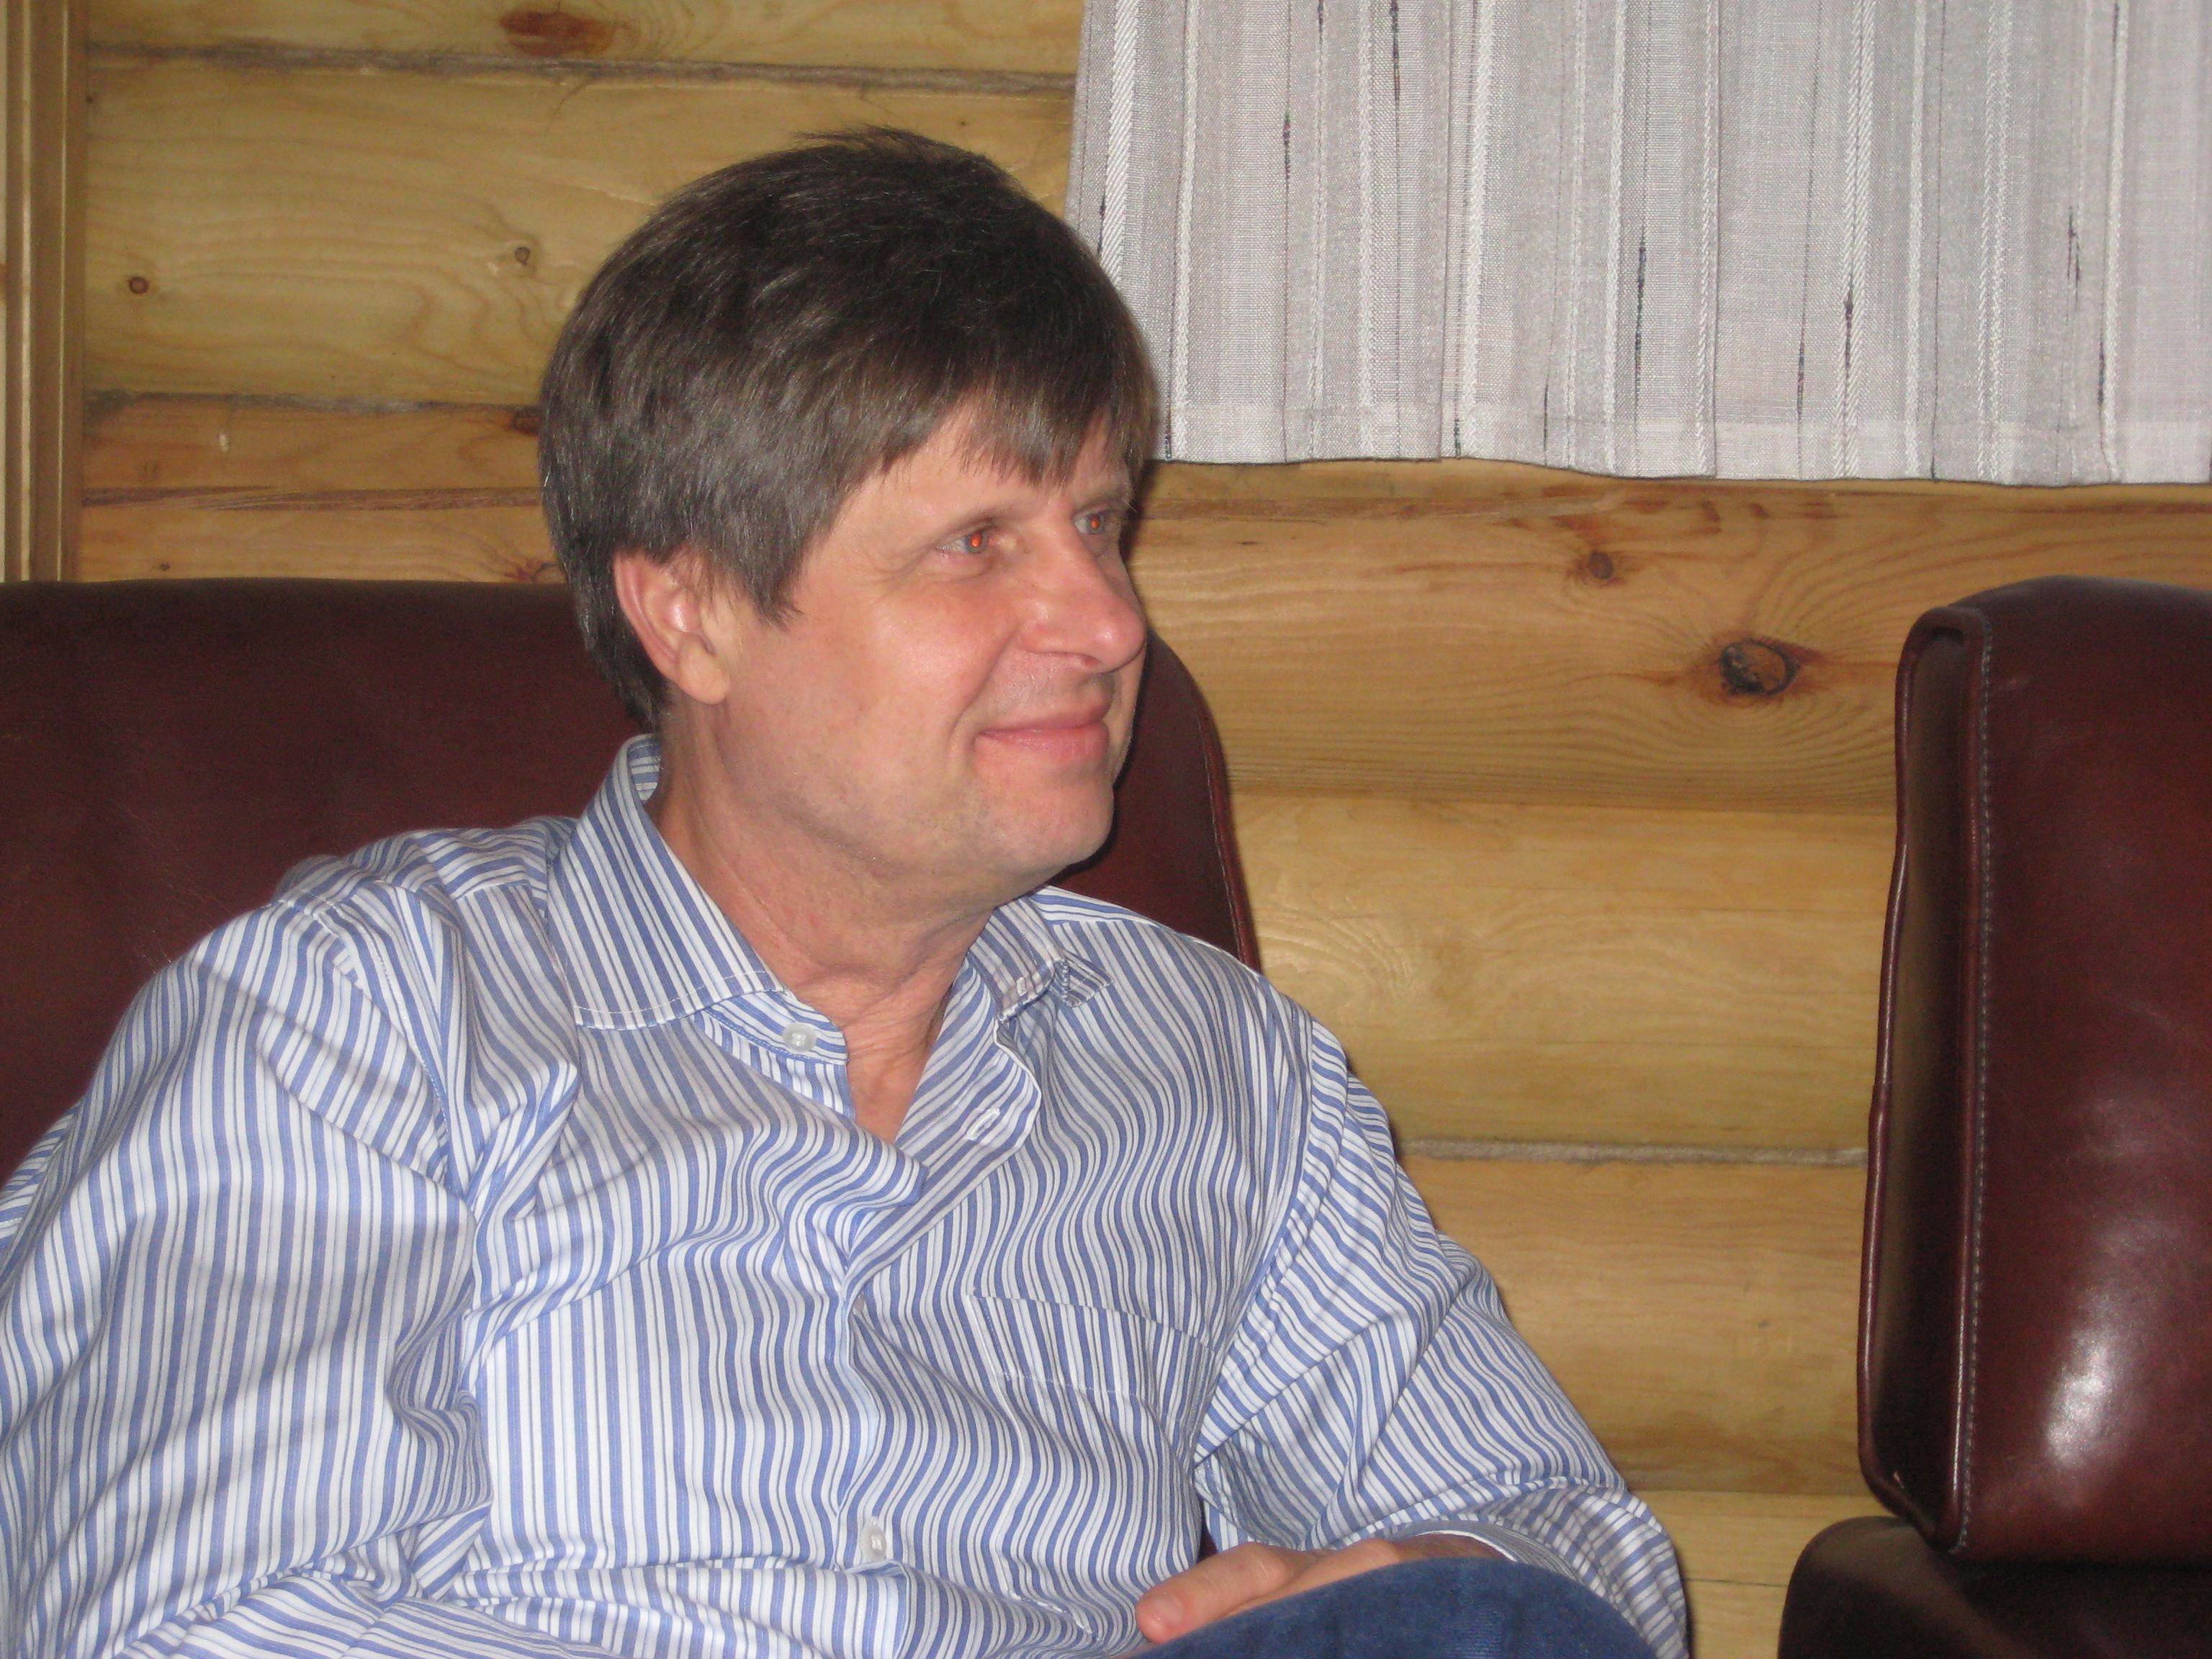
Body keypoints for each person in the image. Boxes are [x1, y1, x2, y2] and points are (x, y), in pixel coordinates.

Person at [0, 132, 1686, 1659]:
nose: (1111, 625)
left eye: (1102, 524)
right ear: (692, 613)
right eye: (978, 542)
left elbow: (1579, 1546)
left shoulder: (1221, 1070)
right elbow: (186, 1625)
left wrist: (1442, 1580)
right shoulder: (355, 1017)